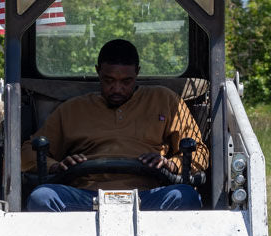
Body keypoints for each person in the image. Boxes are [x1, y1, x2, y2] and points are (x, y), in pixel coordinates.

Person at [22, 39, 209, 212]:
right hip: (84, 197)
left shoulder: (165, 100)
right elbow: (28, 152)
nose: (117, 89)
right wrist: (55, 166)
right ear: (98, 72)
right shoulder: (72, 109)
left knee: (186, 197)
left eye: (126, 81)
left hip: (150, 196)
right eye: (109, 80)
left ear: (137, 72)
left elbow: (199, 151)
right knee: (42, 198)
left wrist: (172, 164)